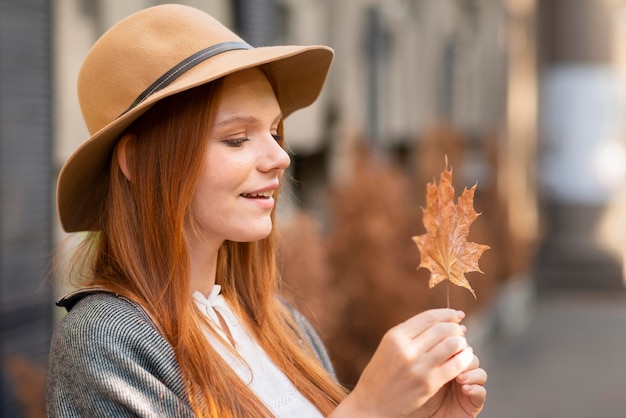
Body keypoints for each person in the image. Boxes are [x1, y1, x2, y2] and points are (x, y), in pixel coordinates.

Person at [47, 4, 487, 417]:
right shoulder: (106, 341)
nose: (280, 157)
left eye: (275, 131)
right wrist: (367, 406)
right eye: (237, 138)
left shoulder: (280, 324)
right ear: (137, 163)